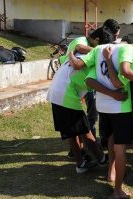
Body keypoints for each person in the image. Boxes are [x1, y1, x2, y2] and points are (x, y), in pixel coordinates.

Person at [69, 34, 133, 199]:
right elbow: (118, 83)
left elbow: (86, 76)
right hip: (121, 109)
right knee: (120, 149)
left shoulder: (99, 49)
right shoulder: (127, 50)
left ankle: (110, 173)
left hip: (103, 107)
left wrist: (71, 51)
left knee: (112, 142)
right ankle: (118, 190)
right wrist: (109, 63)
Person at [47, 27, 115, 174]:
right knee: (85, 130)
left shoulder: (84, 49)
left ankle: (81, 163)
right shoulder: (92, 53)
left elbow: (75, 55)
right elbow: (77, 64)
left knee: (72, 131)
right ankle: (101, 159)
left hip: (58, 91)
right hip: (66, 94)